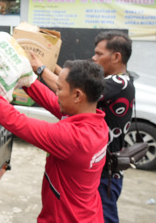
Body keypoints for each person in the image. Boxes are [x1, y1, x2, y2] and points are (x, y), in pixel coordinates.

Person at [0, 59, 108, 222]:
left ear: (77, 95)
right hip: (89, 215)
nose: (56, 93)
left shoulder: (73, 138)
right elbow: (53, 101)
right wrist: (25, 79)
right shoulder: (97, 123)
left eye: (59, 89)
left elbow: (16, 121)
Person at [29, 30, 134, 223]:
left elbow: (72, 88)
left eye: (99, 54)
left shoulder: (117, 83)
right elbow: (73, 82)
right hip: (97, 173)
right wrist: (51, 68)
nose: (94, 58)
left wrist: (40, 70)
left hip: (102, 175)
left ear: (117, 56)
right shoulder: (120, 82)